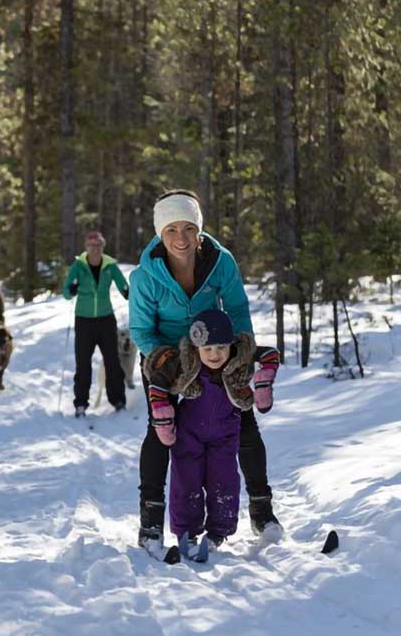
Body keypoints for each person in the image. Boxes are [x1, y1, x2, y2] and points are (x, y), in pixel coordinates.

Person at [128, 189, 282, 553]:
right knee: (161, 431)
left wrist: (241, 354)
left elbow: (238, 309)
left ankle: (263, 512)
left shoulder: (221, 261)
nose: (180, 239)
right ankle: (150, 522)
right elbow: (140, 330)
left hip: (214, 348)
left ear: (199, 231)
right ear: (159, 233)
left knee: (243, 424)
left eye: (188, 229)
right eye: (171, 230)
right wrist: (165, 361)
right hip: (164, 354)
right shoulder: (146, 275)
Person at [144, 309, 281, 561]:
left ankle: (218, 532)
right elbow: (157, 379)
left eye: (220, 347)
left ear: (231, 344)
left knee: (224, 480)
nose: (215, 355)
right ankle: (187, 532)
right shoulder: (187, 363)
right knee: (186, 480)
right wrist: (162, 413)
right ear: (196, 349)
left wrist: (263, 379)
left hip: (225, 435)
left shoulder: (239, 359)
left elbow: (271, 354)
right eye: (207, 349)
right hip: (189, 434)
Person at [62, 231, 130, 417]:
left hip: (106, 319)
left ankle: (118, 400)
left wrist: (128, 294)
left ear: (103, 246)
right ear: (86, 247)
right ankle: (81, 404)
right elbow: (66, 293)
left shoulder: (109, 266)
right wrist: (71, 289)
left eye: (98, 245)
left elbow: (123, 285)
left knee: (113, 362)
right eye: (92, 245)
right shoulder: (78, 266)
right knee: (83, 364)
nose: (95, 249)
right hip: (84, 321)